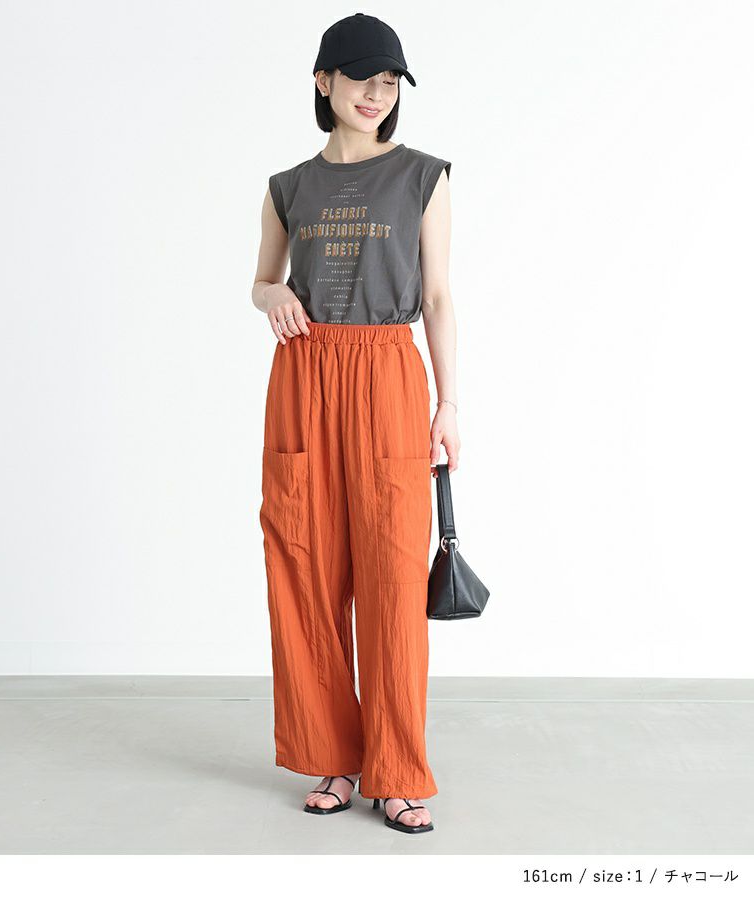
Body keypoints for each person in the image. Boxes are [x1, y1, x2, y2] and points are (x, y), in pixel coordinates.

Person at [251, 13, 460, 835]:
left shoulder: (422, 176)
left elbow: (437, 296)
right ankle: (333, 757)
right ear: (323, 81)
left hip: (387, 372)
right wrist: (271, 294)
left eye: (390, 82)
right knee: (303, 566)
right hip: (304, 376)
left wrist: (449, 403)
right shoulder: (287, 187)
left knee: (393, 577)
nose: (377, 94)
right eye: (363, 77)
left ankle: (398, 769)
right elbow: (262, 280)